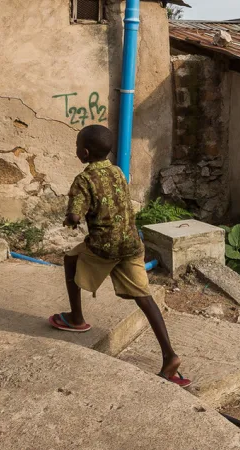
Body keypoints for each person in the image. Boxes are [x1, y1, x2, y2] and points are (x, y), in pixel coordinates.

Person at [49, 124, 190, 388]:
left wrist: (72, 218)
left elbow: (76, 212)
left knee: (70, 259)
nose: (76, 150)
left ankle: (77, 318)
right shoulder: (117, 172)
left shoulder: (83, 179)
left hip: (104, 247)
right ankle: (170, 355)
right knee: (145, 298)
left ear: (85, 153)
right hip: (131, 245)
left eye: (77, 146)